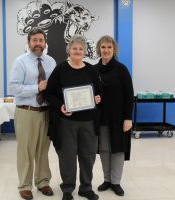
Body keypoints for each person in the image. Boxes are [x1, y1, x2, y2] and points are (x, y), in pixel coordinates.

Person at [45, 35, 101, 200]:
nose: (77, 51)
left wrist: (97, 98)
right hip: (67, 122)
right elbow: (50, 94)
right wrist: (61, 106)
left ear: (84, 52)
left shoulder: (91, 70)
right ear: (69, 50)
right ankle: (68, 189)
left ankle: (86, 188)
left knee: (88, 156)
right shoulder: (61, 69)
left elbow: (98, 92)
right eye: (74, 48)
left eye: (81, 49)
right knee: (67, 156)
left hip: (88, 122)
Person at [9, 27, 56, 200]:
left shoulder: (51, 62)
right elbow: (13, 87)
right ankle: (25, 185)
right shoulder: (20, 62)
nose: (38, 43)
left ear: (45, 43)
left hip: (46, 112)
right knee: (26, 151)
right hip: (26, 112)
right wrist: (36, 88)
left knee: (43, 150)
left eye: (41, 40)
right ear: (28, 42)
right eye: (34, 40)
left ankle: (43, 182)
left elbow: (55, 86)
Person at [94, 35, 134, 196]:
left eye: (109, 47)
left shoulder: (121, 69)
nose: (106, 50)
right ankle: (107, 180)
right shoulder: (93, 70)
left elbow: (129, 94)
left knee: (117, 149)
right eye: (103, 47)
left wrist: (128, 118)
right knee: (104, 149)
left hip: (119, 118)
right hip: (101, 117)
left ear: (114, 50)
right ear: (99, 49)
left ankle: (116, 182)